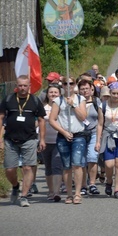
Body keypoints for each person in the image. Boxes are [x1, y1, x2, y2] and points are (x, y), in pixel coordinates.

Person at [0, 75, 46, 207]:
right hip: (10, 139)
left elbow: (42, 121)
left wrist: (42, 139)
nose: (22, 88)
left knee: (27, 167)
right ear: (16, 85)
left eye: (25, 85)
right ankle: (15, 186)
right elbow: (1, 117)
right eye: (20, 85)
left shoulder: (35, 101)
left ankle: (24, 196)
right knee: (9, 169)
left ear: (29, 86)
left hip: (29, 139)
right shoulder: (8, 99)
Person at [49, 77, 88, 205]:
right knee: (66, 166)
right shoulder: (57, 101)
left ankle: (77, 193)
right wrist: (64, 132)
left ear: (74, 85)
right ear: (62, 85)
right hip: (63, 136)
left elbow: (83, 117)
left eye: (71, 83)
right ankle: (69, 194)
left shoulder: (80, 99)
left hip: (78, 136)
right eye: (66, 84)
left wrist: (73, 105)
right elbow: (52, 119)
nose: (68, 86)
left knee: (77, 164)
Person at [78, 80, 103, 196]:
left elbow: (100, 122)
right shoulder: (76, 102)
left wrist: (98, 140)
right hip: (79, 133)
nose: (84, 91)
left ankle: (92, 183)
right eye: (82, 89)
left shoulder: (96, 101)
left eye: (86, 88)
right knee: (82, 160)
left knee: (92, 157)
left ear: (91, 89)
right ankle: (83, 185)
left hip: (93, 132)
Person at [41, 84, 63, 202]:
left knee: (57, 166)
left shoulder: (62, 107)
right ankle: (50, 191)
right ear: (47, 94)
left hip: (58, 140)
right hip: (45, 141)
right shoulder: (42, 107)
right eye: (51, 92)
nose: (53, 94)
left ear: (60, 94)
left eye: (56, 92)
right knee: (48, 167)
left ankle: (56, 192)